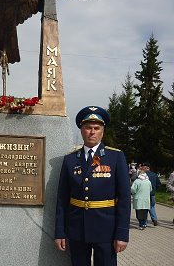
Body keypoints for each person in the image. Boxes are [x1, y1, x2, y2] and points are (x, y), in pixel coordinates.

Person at [55, 106, 131, 266]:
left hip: (106, 230)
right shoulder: (70, 159)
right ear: (81, 130)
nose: (92, 132)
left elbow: (124, 198)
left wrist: (122, 234)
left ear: (102, 131)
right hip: (77, 228)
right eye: (88, 128)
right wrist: (60, 232)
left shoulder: (115, 157)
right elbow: (62, 199)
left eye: (96, 128)